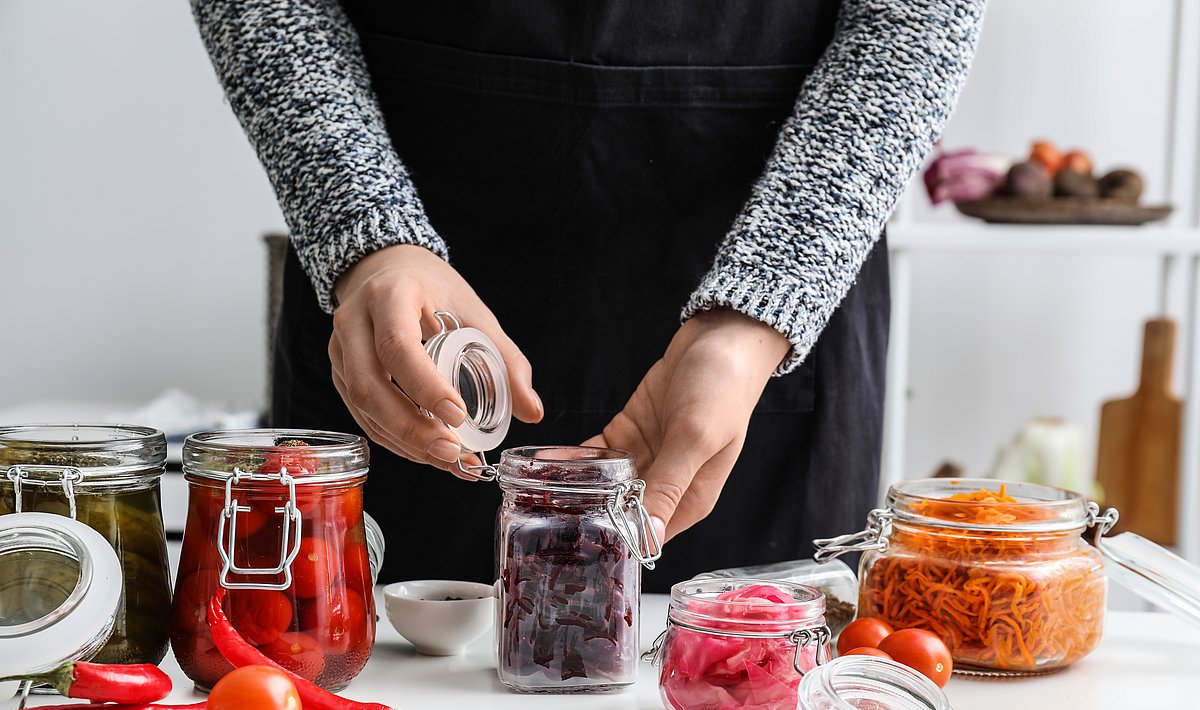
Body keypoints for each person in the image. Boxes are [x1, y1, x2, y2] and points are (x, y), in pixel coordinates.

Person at [192, 1, 985, 591]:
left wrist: (757, 313)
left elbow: (914, 21)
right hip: (405, 273)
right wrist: (365, 234)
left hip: (765, 272)